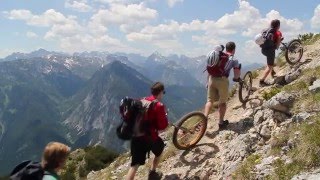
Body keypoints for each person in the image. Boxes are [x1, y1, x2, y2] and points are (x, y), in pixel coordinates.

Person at [126, 82, 169, 180]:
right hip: (149, 137)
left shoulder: (142, 100)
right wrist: (165, 116)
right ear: (161, 92)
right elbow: (163, 126)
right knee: (159, 149)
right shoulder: (159, 105)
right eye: (163, 92)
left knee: (134, 165)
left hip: (135, 136)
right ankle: (152, 172)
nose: (163, 94)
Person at [204, 42, 241, 129]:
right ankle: (221, 122)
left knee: (209, 101)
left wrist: (207, 82)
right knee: (222, 102)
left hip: (211, 79)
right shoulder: (233, 59)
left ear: (225, 49)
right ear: (234, 49)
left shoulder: (217, 56)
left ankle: (204, 118)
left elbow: (210, 70)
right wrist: (236, 78)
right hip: (222, 80)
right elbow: (236, 73)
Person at [259, 19, 283, 86]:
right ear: (278, 26)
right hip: (270, 51)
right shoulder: (277, 33)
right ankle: (261, 81)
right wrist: (277, 46)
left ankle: (272, 72)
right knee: (269, 66)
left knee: (270, 62)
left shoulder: (265, 30)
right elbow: (278, 45)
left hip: (263, 50)